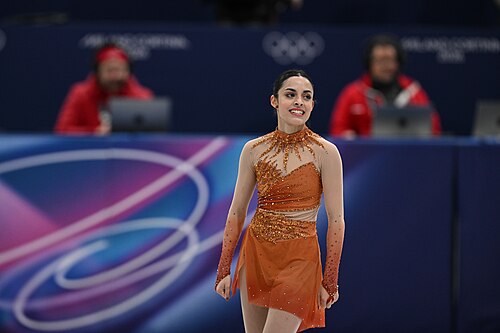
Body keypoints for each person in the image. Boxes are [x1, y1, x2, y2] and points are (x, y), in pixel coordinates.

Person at [215, 69, 345, 332]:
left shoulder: (326, 152)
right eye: (291, 94)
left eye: (306, 97)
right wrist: (223, 268)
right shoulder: (253, 149)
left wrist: (330, 279)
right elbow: (237, 211)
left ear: (311, 105)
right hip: (256, 254)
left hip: (300, 258)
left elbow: (336, 219)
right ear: (274, 101)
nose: (299, 101)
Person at [329, 34, 442, 137]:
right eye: (379, 61)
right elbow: (337, 130)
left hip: (410, 154)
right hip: (367, 157)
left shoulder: (414, 91)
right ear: (369, 63)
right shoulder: (352, 93)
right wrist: (348, 137)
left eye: (389, 60)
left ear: (398, 62)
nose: (385, 66)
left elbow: (434, 130)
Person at [54, 43, 154, 134]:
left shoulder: (142, 97)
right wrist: (93, 132)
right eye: (110, 70)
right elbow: (62, 130)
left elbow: (152, 136)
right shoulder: (80, 94)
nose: (116, 76)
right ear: (97, 72)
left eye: (121, 70)